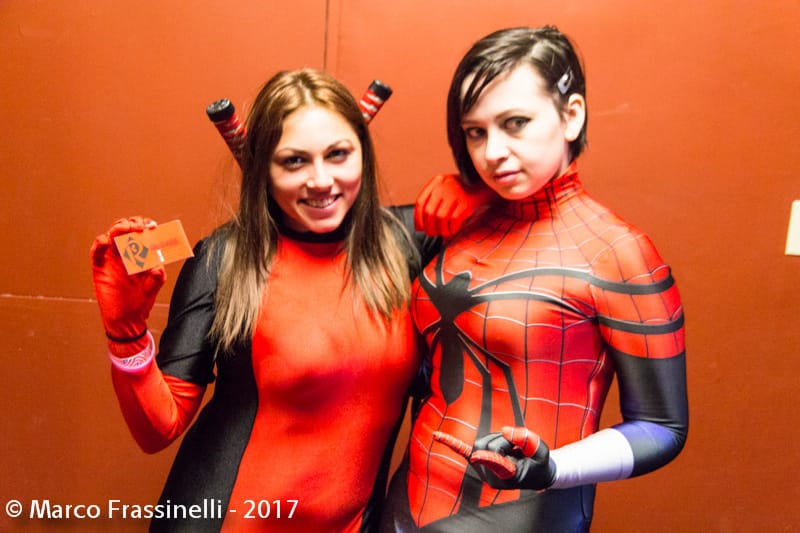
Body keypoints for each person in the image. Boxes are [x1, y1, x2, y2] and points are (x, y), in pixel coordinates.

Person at [90, 68, 448, 532]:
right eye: (294, 161)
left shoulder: (407, 243)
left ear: (363, 152)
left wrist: (467, 191)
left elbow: (516, 199)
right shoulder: (223, 258)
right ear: (263, 169)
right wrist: (127, 335)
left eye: (338, 154)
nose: (321, 180)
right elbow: (158, 429)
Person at [382, 26, 688, 532]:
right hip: (407, 499)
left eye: (515, 123)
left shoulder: (618, 251)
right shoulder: (461, 227)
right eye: (475, 132)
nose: (492, 152)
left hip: (527, 511)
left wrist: (556, 468)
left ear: (572, 115)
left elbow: (663, 427)